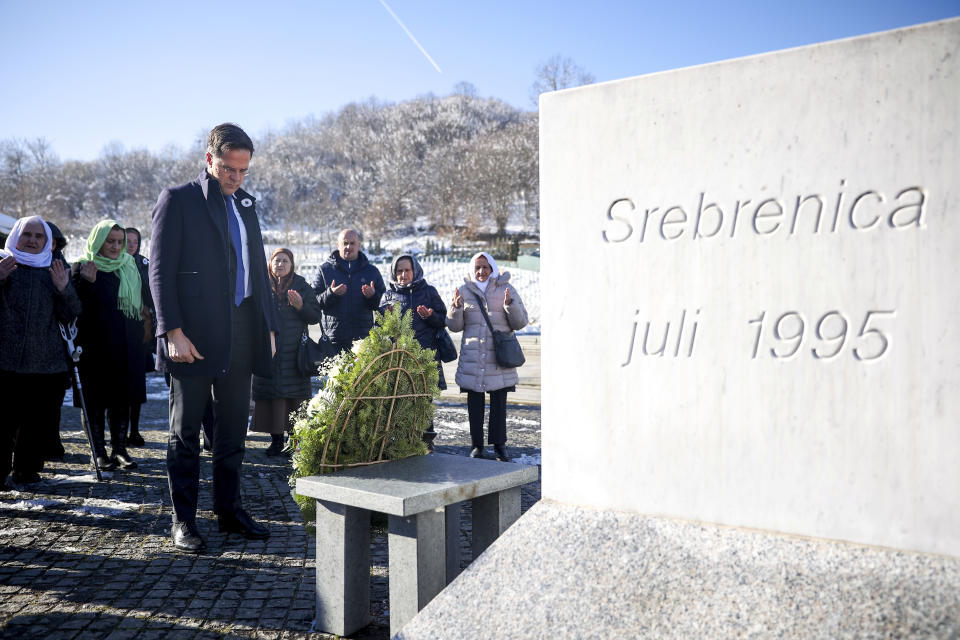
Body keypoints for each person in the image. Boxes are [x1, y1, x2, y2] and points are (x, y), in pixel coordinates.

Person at [150, 123, 278, 552]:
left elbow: (257, 272)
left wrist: (269, 326)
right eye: (228, 169)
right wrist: (172, 331)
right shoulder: (179, 200)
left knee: (232, 433)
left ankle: (230, 511)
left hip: (242, 331)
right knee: (185, 433)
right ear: (209, 160)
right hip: (193, 337)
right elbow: (160, 272)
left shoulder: (246, 205)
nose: (236, 178)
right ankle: (183, 520)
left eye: (243, 171)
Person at [0, 216, 81, 486]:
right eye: (28, 235)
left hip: (45, 363)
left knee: (35, 423)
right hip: (6, 361)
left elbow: (71, 314)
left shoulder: (55, 268)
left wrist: (63, 288)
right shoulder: (4, 263)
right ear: (16, 236)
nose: (33, 241)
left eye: (39, 237)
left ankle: (26, 469)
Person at [72, 220, 151, 472]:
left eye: (121, 242)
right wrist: (86, 282)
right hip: (95, 346)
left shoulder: (130, 266)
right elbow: (73, 309)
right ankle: (98, 453)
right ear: (98, 241)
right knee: (95, 401)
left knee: (122, 399)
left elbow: (145, 301)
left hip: (128, 344)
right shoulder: (82, 266)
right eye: (110, 241)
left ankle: (120, 449)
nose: (117, 247)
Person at [447, 252, 528, 462]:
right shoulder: (464, 291)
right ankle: (477, 445)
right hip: (474, 358)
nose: (481, 271)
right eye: (477, 268)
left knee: (499, 403)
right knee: (474, 403)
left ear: (493, 268)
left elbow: (520, 323)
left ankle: (500, 446)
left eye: (485, 267)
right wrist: (455, 308)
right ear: (472, 270)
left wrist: (510, 305)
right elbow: (454, 327)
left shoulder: (505, 289)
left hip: (498, 358)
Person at [252, 248, 321, 455]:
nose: (280, 264)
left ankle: (295, 442)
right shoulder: (261, 285)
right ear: (270, 264)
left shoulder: (301, 285)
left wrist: (301, 306)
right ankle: (276, 441)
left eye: (284, 261)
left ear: (292, 265)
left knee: (295, 399)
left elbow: (315, 317)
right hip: (269, 350)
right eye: (276, 260)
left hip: (294, 353)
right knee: (272, 397)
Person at [380, 254, 448, 451]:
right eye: (399, 271)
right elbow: (380, 328)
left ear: (414, 270)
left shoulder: (429, 292)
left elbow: (442, 320)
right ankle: (403, 440)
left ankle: (426, 440)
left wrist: (431, 316)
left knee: (424, 398)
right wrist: (387, 318)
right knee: (402, 399)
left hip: (425, 356)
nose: (403, 275)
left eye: (407, 270)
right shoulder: (388, 296)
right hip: (399, 357)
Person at [311, 229, 385, 355]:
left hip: (364, 341)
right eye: (345, 243)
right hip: (333, 341)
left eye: (352, 243)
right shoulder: (324, 270)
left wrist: (372, 296)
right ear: (338, 245)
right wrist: (331, 294)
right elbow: (313, 303)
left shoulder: (371, 271)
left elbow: (384, 305)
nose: (348, 247)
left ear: (359, 245)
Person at [124, 227, 154, 447]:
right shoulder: (112, 264)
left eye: (135, 241)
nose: (131, 245)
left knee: (136, 384)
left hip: (140, 331)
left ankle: (133, 430)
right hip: (118, 330)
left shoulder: (145, 264)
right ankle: (117, 433)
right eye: (128, 240)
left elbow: (153, 294)